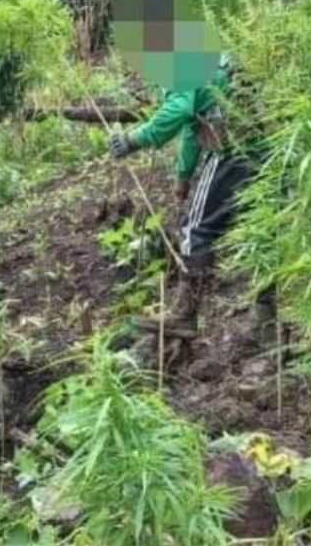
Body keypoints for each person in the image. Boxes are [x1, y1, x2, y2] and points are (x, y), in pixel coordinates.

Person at [108, 52, 275, 340]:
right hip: (268, 149)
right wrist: (182, 176)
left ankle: (184, 315)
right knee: (261, 230)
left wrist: (133, 139)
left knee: (195, 228)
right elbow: (194, 122)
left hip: (233, 152)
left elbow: (179, 111)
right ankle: (267, 322)